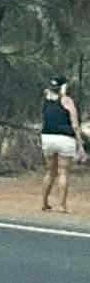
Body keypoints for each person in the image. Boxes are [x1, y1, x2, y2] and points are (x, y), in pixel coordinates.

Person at [41, 78, 85, 212]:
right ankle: (61, 205)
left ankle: (44, 203)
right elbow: (75, 124)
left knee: (50, 171)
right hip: (65, 137)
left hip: (47, 136)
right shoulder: (67, 101)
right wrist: (80, 145)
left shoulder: (46, 101)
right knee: (63, 172)